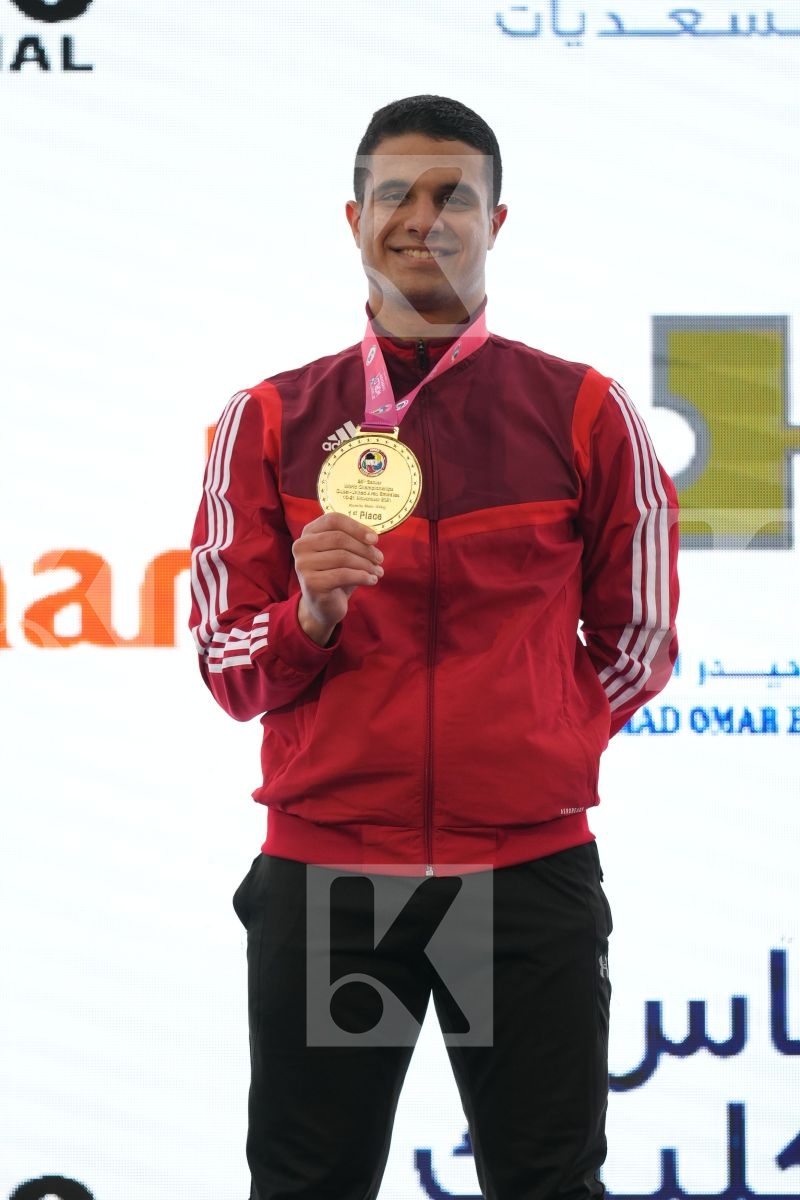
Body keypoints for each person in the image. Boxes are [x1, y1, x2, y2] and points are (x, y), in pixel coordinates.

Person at [189, 95, 679, 1200]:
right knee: (310, 1186)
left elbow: (638, 637)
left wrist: (538, 737)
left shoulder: (583, 411)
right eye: (395, 195)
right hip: (330, 883)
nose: (423, 218)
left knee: (547, 1184)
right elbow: (227, 666)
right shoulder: (266, 419)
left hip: (522, 877)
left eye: (450, 195)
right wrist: (308, 616)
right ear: (351, 217)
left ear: (495, 220)